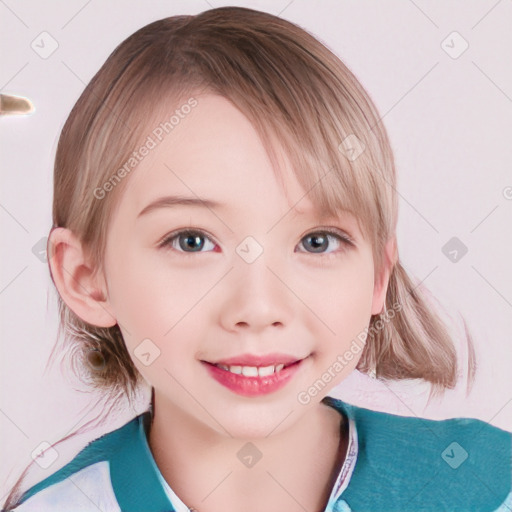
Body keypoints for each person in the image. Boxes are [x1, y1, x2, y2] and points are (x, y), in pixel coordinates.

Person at [4, 6, 511, 512]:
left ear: (378, 275)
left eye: (317, 241)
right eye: (191, 241)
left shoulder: (488, 486)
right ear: (87, 279)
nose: (259, 306)